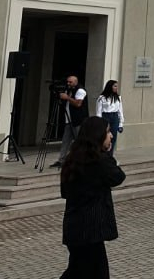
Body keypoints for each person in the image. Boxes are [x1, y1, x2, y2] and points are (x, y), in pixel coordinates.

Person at [59, 116, 126, 279]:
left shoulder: (72, 160)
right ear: (97, 135)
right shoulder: (99, 161)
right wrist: (108, 153)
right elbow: (118, 176)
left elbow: (65, 192)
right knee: (90, 272)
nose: (111, 136)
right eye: (108, 132)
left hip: (75, 229)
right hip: (91, 232)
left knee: (79, 270)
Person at [52, 75, 88, 168]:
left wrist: (67, 97)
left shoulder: (80, 90)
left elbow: (78, 103)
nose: (68, 84)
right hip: (69, 120)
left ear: (76, 82)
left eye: (70, 82)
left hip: (78, 120)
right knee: (65, 141)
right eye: (67, 82)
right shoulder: (69, 90)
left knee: (79, 141)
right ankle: (62, 160)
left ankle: (82, 160)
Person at [94, 80, 123, 158]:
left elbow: (120, 111)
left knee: (113, 137)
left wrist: (121, 124)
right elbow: (98, 112)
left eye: (117, 86)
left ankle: (110, 155)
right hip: (105, 117)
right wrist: (99, 123)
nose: (116, 88)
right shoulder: (102, 98)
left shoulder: (118, 97)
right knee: (104, 137)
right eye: (115, 86)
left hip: (114, 117)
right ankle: (101, 153)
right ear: (110, 87)